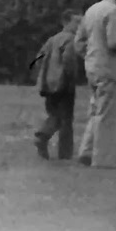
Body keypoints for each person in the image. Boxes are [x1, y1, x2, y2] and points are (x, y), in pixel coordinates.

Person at [73, 0, 116, 167]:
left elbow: (78, 42)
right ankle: (103, 160)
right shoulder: (114, 11)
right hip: (108, 68)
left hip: (91, 67)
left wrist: (89, 56)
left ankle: (87, 151)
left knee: (96, 111)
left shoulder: (91, 10)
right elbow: (114, 42)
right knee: (108, 114)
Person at [29, 9, 82, 161]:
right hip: (64, 84)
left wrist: (41, 77)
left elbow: (39, 57)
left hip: (49, 84)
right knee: (66, 120)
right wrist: (73, 78)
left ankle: (43, 136)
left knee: (55, 114)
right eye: (77, 22)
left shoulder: (52, 39)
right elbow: (68, 61)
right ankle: (63, 153)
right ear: (66, 22)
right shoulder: (71, 39)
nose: (80, 25)